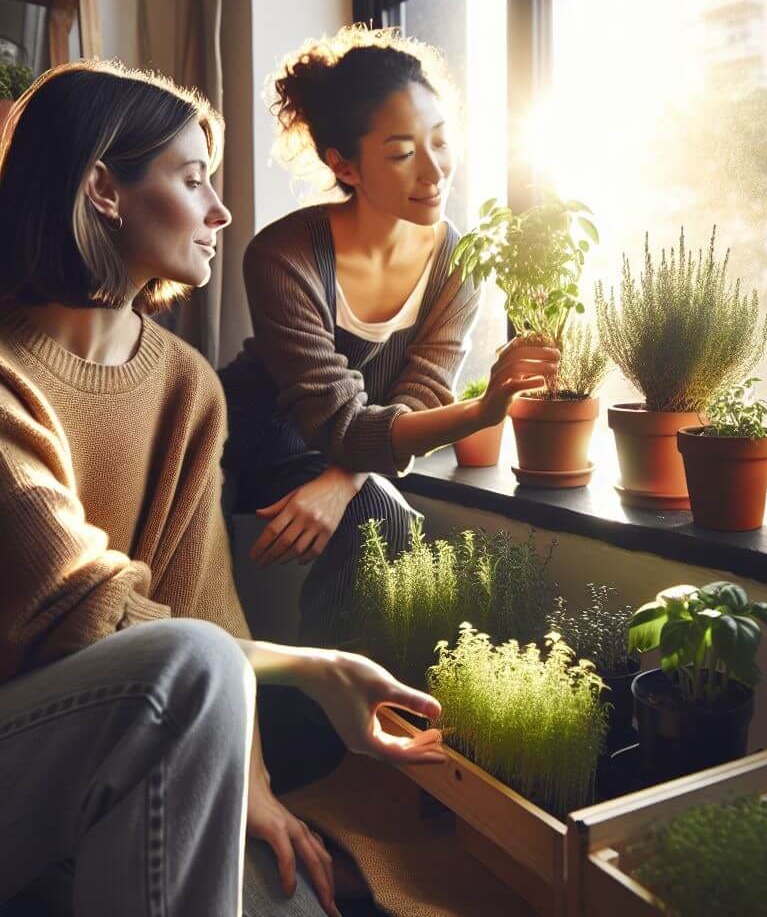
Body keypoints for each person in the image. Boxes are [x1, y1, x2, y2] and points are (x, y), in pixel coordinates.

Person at [0, 60, 446, 917]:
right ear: (104, 188)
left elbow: (203, 607)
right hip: (26, 753)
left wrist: (257, 785)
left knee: (293, 898)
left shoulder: (185, 383)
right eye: (193, 178)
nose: (222, 212)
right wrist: (312, 668)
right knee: (192, 665)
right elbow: (79, 613)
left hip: (133, 729)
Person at [220, 27, 558, 660]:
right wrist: (480, 414)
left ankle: (325, 732)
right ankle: (277, 729)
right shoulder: (282, 254)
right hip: (246, 432)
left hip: (340, 449)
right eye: (402, 152)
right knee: (370, 522)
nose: (434, 171)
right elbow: (335, 417)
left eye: (440, 141)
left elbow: (421, 395)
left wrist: (343, 479)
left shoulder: (458, 255)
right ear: (343, 165)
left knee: (391, 521)